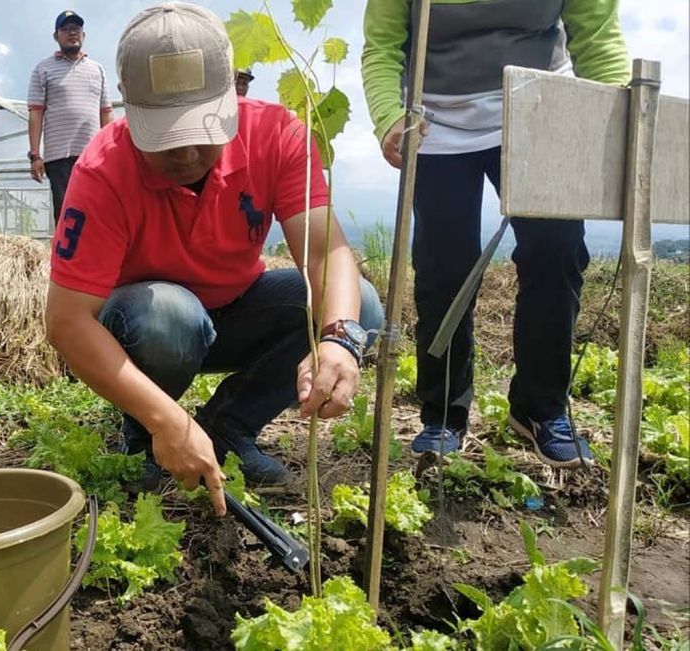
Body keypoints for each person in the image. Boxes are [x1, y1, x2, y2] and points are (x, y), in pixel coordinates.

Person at [44, 3, 384, 516]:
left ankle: (228, 426)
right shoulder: (102, 170)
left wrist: (339, 339)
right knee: (167, 315)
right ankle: (146, 432)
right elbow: (67, 322)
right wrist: (167, 422)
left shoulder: (277, 135)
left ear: (231, 96)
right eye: (165, 136)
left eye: (199, 130)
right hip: (149, 327)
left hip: (237, 309)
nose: (184, 153)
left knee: (363, 305)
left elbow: (325, 251)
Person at [361, 0, 629, 467]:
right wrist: (390, 115)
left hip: (542, 106)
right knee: (443, 267)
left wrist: (620, 119)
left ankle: (539, 409)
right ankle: (443, 413)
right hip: (436, 123)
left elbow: (597, 35)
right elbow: (383, 47)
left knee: (556, 250)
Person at [27, 10, 113, 226]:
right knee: (66, 212)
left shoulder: (98, 70)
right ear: (56, 36)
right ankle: (65, 259)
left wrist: (111, 152)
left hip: (93, 155)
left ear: (83, 34)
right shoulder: (43, 69)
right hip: (59, 156)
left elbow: (106, 114)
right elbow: (35, 113)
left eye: (76, 29)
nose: (71, 33)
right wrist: (35, 155)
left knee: (96, 209)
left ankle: (95, 257)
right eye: (65, 29)